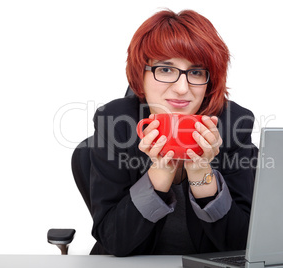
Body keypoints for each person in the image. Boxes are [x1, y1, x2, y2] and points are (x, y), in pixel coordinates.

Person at [89, 9, 258, 256]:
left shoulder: (235, 124)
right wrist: (159, 174)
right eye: (166, 70)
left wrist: (201, 174)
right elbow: (114, 242)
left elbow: (241, 245)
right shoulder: (115, 122)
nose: (182, 88)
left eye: (196, 72)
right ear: (141, 73)